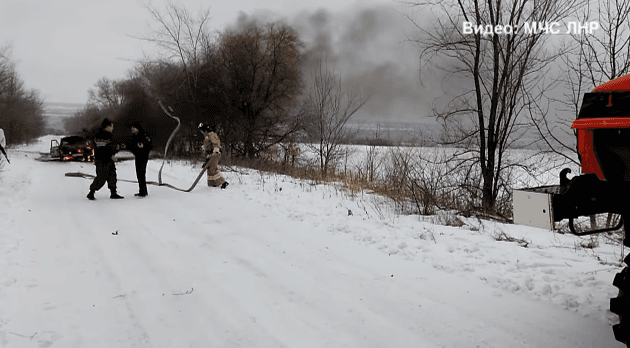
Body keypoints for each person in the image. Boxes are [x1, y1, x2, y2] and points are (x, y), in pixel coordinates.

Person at [87, 118, 123, 200]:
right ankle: (91, 192)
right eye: (112, 126)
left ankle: (113, 193)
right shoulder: (101, 136)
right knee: (101, 177)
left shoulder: (108, 135)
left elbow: (112, 147)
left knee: (112, 175)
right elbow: (103, 149)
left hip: (108, 159)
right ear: (107, 126)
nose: (112, 128)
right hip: (102, 160)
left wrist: (117, 148)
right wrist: (112, 154)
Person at [198, 122, 228, 189]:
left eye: (202, 131)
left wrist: (216, 151)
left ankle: (223, 183)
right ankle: (212, 184)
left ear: (204, 130)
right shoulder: (207, 136)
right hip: (210, 155)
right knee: (209, 169)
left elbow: (216, 143)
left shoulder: (211, 134)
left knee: (212, 169)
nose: (201, 132)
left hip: (215, 154)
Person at [127, 122, 152, 197]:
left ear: (137, 128)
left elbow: (149, 145)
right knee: (139, 174)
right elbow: (131, 146)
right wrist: (134, 151)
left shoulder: (144, 135)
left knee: (141, 173)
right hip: (137, 156)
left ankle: (143, 191)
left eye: (133, 128)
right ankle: (142, 190)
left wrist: (144, 152)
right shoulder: (134, 136)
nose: (132, 129)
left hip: (143, 157)